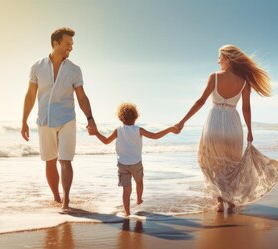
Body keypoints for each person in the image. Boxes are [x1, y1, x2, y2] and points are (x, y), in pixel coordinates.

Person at [175, 44, 278, 212]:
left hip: (214, 123)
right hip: (233, 124)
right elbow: (246, 108)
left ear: (227, 59)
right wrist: (249, 130)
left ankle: (220, 201)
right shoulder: (244, 82)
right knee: (232, 163)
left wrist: (182, 121)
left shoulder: (214, 77)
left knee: (211, 162)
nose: (218, 60)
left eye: (220, 57)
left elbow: (200, 101)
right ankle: (231, 199)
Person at [21, 27, 98, 213]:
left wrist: (90, 118)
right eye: (67, 44)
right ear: (55, 43)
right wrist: (24, 121)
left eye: (72, 45)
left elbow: (81, 96)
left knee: (65, 160)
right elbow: (30, 95)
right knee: (49, 161)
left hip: (67, 119)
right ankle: (56, 197)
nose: (70, 48)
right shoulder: (37, 67)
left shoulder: (74, 70)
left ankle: (66, 200)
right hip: (44, 120)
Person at [91, 102, 178, 216]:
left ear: (120, 117)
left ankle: (127, 212)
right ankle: (139, 198)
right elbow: (155, 136)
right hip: (136, 162)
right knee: (139, 182)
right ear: (136, 116)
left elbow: (106, 141)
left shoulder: (118, 130)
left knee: (126, 189)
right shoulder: (138, 129)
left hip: (122, 164)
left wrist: (96, 133)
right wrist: (170, 129)